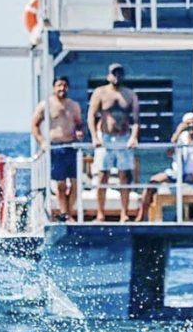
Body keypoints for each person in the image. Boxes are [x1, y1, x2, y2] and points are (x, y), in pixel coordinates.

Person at [136, 113, 193, 221]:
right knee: (153, 181)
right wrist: (178, 132)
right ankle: (141, 215)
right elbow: (169, 152)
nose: (191, 127)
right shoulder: (180, 138)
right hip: (178, 172)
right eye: (188, 124)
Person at [87, 63, 139, 222]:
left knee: (125, 176)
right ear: (109, 75)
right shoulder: (100, 93)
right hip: (106, 138)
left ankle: (124, 214)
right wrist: (95, 137)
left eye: (119, 73)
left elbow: (136, 119)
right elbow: (91, 115)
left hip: (123, 138)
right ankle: (100, 214)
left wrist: (134, 137)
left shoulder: (130, 94)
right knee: (103, 175)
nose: (117, 77)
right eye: (114, 73)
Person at [30, 76, 84, 223]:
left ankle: (69, 213)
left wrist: (80, 132)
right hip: (55, 148)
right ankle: (64, 213)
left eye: (65, 86)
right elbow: (34, 125)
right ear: (54, 87)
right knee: (60, 184)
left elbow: (79, 124)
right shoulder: (46, 105)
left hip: (71, 147)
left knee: (75, 183)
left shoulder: (73, 105)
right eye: (59, 85)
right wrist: (42, 142)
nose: (62, 89)